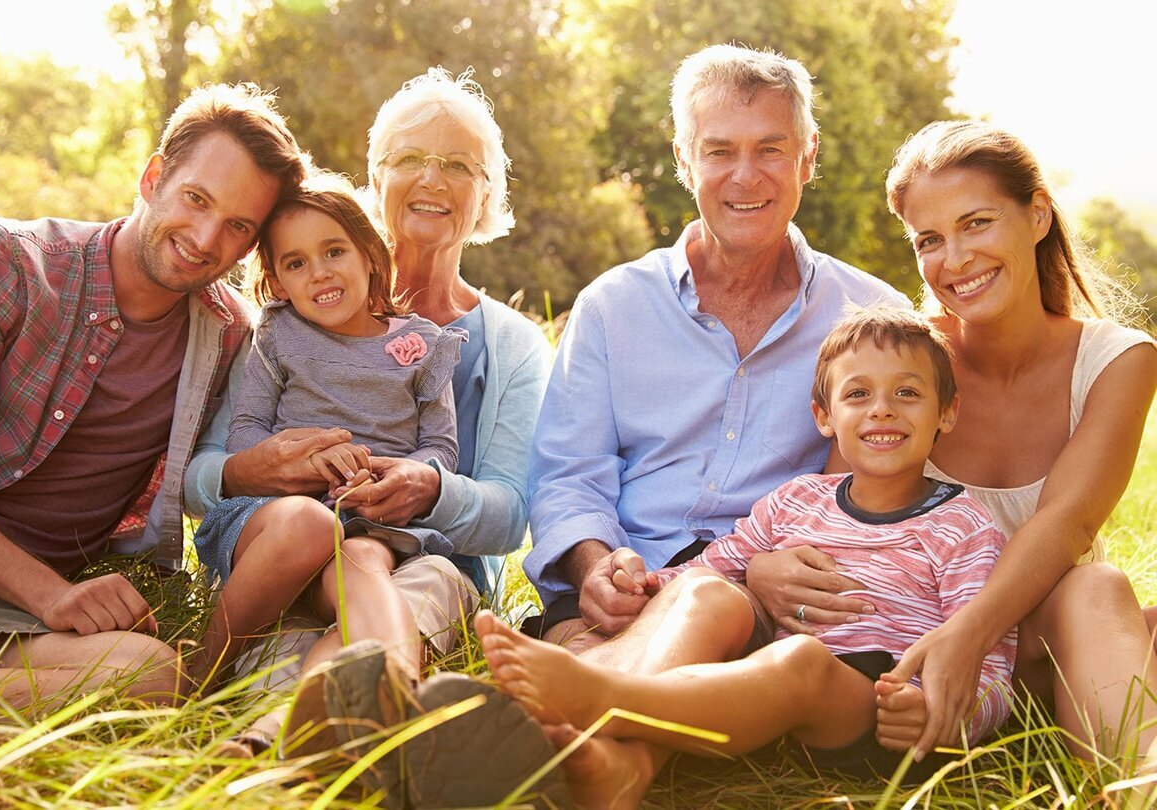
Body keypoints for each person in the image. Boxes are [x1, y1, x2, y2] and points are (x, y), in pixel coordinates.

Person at [184, 68, 553, 806]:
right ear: (376, 177)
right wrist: (262, 469)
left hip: (414, 563)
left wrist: (430, 488)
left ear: (487, 197)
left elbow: (512, 515)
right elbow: (200, 482)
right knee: (309, 618)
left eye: (458, 166)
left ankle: (260, 749)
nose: (432, 178)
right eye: (411, 158)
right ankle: (397, 734)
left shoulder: (510, 345)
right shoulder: (284, 324)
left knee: (403, 597)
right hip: (280, 563)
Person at [476, 307, 1016, 805]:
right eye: (857, 394)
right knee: (710, 597)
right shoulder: (795, 500)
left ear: (947, 412)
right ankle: (617, 764)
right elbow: (711, 567)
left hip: (875, 706)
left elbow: (989, 662)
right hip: (766, 694)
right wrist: (642, 583)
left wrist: (943, 716)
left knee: (800, 661)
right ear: (823, 416)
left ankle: (600, 694)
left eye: (907, 393)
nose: (882, 409)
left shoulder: (963, 525)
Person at [746, 120, 1157, 763]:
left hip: (1039, 648)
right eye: (928, 240)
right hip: (909, 651)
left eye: (977, 223)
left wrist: (969, 637)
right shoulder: (903, 366)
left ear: (1038, 215)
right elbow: (836, 509)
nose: (956, 259)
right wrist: (761, 569)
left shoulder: (1117, 360)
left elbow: (1068, 524)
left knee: (1095, 586)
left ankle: (1140, 779)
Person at [523, 43, 909, 656]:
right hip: (623, 580)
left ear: (808, 157)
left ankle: (578, 705)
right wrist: (592, 566)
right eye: (719, 151)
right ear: (683, 160)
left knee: (651, 640)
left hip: (764, 600)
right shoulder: (613, 305)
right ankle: (602, 725)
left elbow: (894, 482)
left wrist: (778, 562)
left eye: (771, 149)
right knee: (582, 644)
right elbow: (568, 476)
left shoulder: (873, 317)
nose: (745, 176)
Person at [0, 83, 306, 707]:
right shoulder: (3, 263)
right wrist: (51, 595)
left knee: (154, 676)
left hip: (6, 611)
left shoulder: (229, 337)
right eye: (196, 199)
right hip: (17, 586)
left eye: (237, 227)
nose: (204, 238)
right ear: (153, 179)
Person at [188, 171, 466, 693]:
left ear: (369, 253)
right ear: (278, 282)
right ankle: (203, 670)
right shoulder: (278, 334)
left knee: (361, 558)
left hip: (368, 522)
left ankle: (391, 696)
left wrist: (404, 474)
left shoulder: (423, 346)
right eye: (296, 263)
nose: (318, 273)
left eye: (333, 251)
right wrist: (295, 462)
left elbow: (441, 448)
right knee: (312, 525)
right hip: (276, 520)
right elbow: (245, 432)